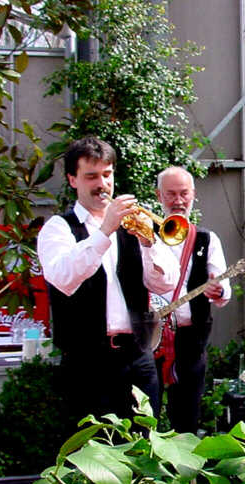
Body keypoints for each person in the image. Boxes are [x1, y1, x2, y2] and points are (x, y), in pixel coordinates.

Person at [37, 137, 180, 425]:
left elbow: (166, 283)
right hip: (87, 362)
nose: (102, 184)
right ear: (72, 180)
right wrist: (104, 231)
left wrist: (149, 245)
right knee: (96, 452)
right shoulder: (59, 228)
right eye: (91, 176)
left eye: (107, 174)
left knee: (145, 447)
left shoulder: (133, 225)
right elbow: (63, 277)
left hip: (137, 356)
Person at [151, 166, 232, 434]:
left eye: (184, 193)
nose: (178, 201)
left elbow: (223, 285)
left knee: (186, 416)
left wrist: (217, 290)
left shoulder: (207, 239)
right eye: (170, 194)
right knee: (142, 412)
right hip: (149, 336)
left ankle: (184, 473)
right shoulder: (144, 235)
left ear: (194, 195)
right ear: (158, 196)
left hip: (190, 338)